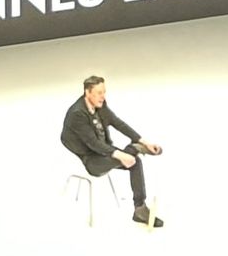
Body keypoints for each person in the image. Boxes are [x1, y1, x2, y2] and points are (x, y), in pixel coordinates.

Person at [60, 75, 165, 227]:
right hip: (89, 159)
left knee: (135, 162)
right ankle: (133, 149)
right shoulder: (77, 114)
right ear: (87, 93)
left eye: (104, 92)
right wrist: (120, 155)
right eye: (99, 93)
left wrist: (144, 141)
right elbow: (93, 143)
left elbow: (117, 123)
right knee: (131, 159)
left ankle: (140, 209)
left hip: (103, 150)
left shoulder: (99, 105)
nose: (103, 96)